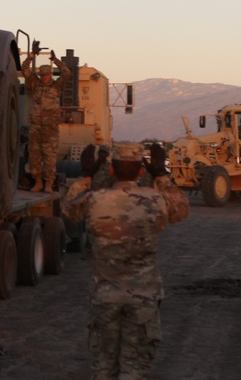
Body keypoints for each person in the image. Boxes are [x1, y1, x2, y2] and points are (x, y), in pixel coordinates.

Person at [64, 142, 190, 379]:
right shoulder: (155, 201)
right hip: (143, 298)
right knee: (134, 368)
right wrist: (161, 175)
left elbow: (69, 207)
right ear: (142, 171)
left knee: (103, 366)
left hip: (105, 297)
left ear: (111, 170)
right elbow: (182, 208)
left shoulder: (96, 200)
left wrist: (86, 175)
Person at [22, 48, 71, 192]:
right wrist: (31, 56)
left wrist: (56, 61)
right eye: (42, 75)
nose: (44, 77)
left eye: (47, 75)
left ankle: (49, 183)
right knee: (35, 155)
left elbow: (67, 74)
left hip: (50, 127)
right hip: (36, 126)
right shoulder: (35, 84)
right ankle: (38, 182)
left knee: (49, 156)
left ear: (51, 74)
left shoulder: (57, 86)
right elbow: (25, 69)